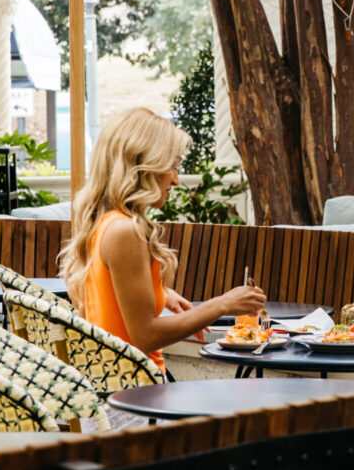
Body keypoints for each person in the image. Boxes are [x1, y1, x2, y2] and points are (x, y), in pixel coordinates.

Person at [58, 108, 265, 376]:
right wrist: (222, 304)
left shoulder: (106, 223)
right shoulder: (125, 231)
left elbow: (110, 295)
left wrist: (158, 292)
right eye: (173, 165)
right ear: (144, 166)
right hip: (134, 400)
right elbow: (145, 336)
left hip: (111, 390)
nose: (176, 180)